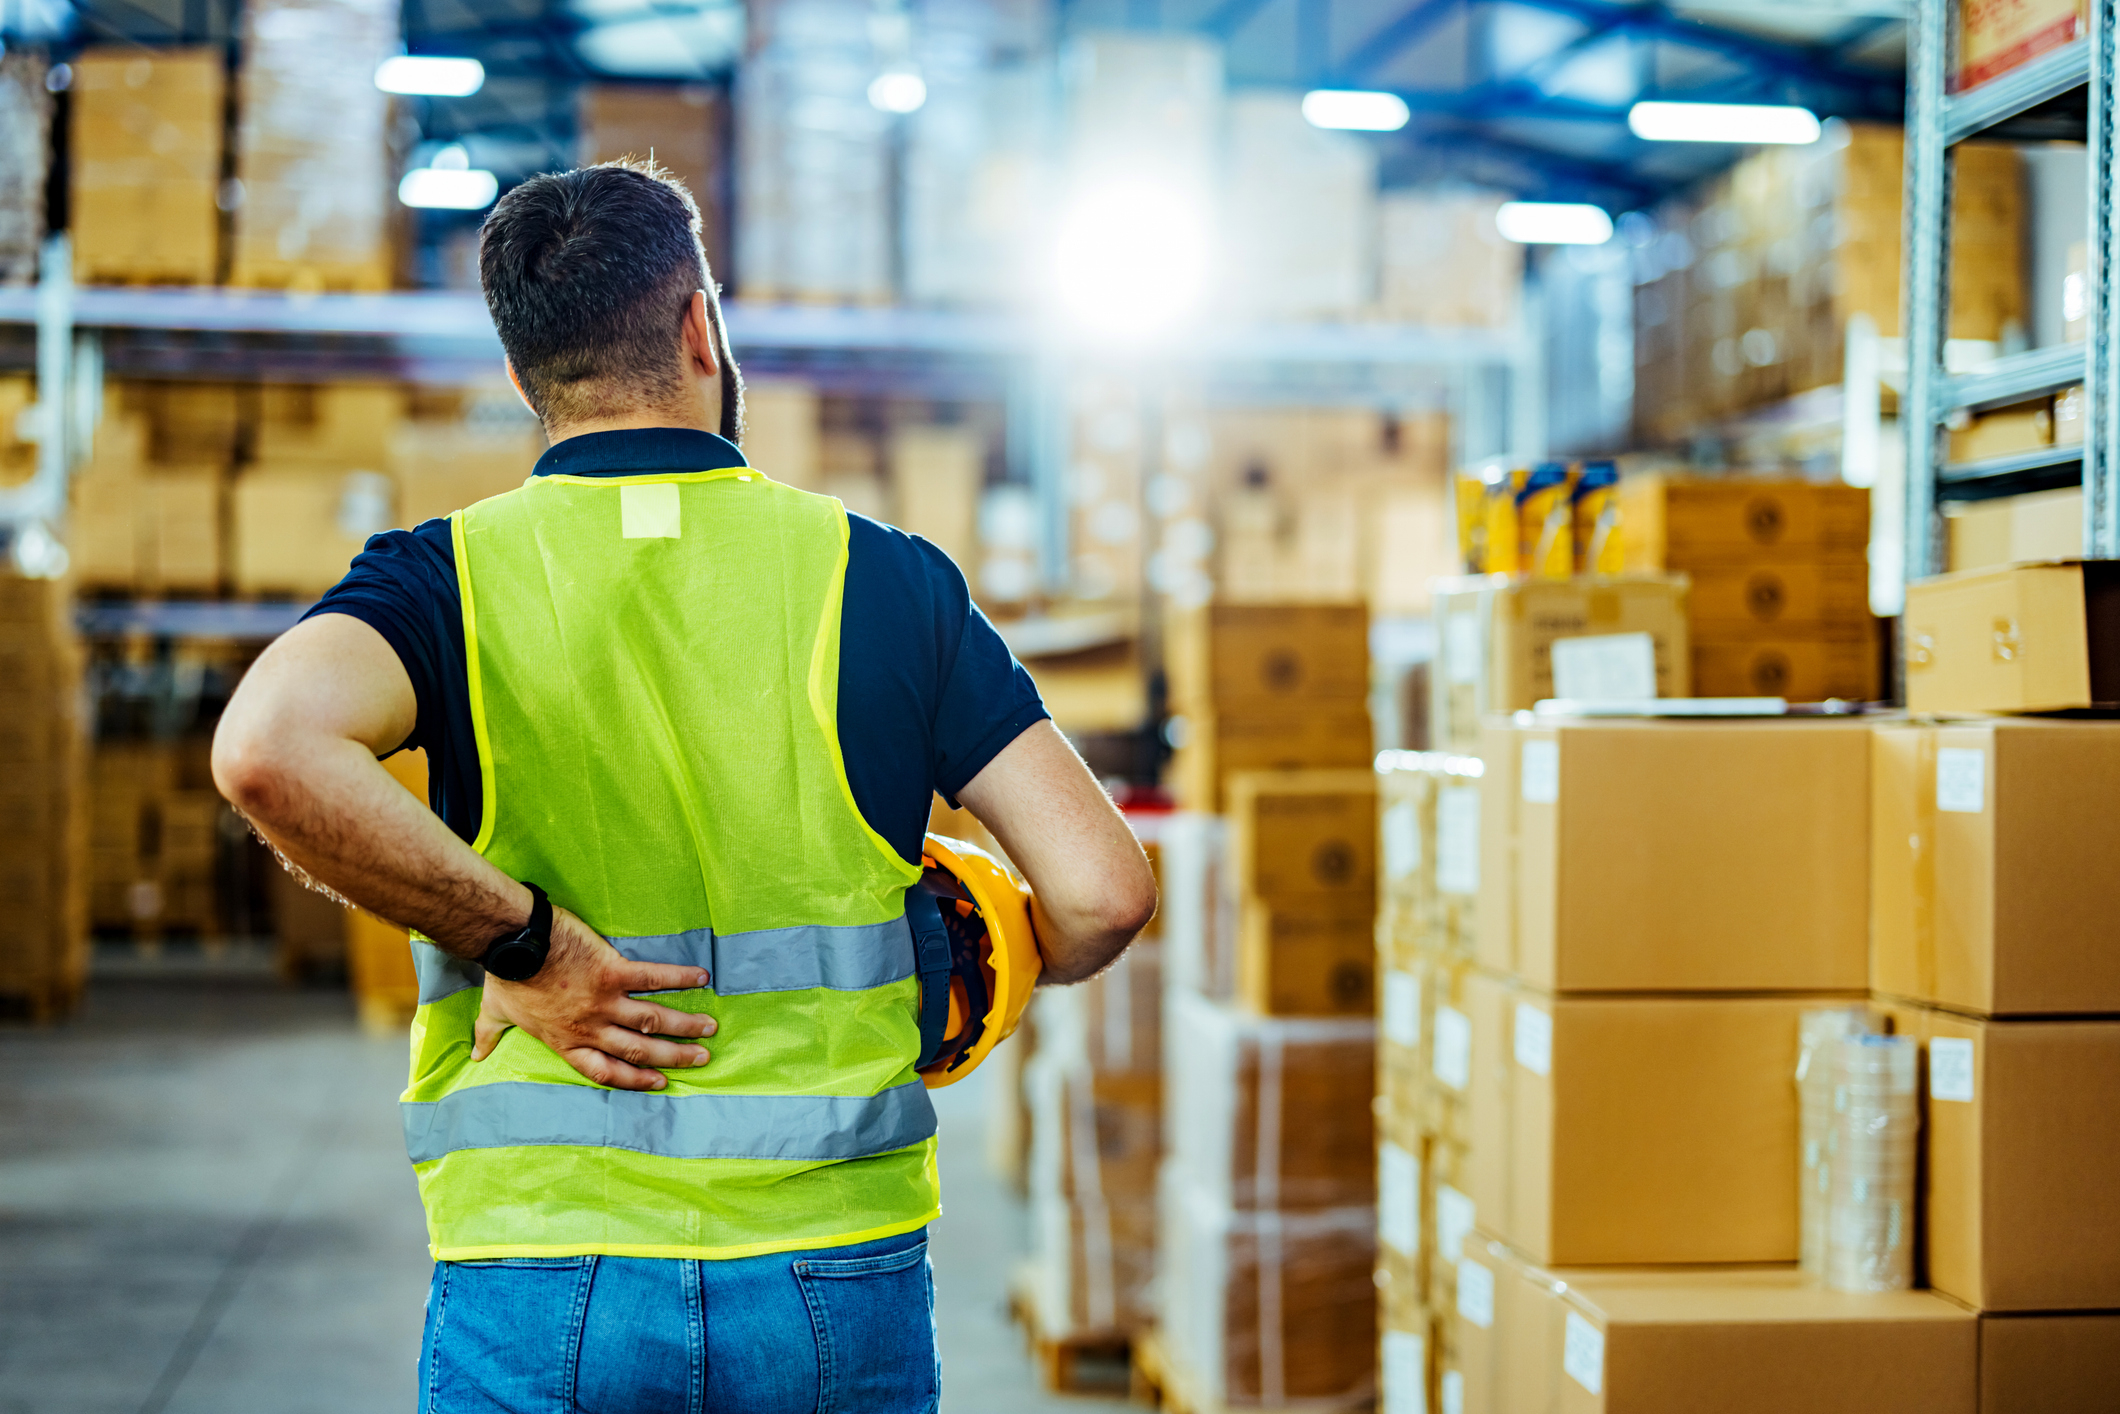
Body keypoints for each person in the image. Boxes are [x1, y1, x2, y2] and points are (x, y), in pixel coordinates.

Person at [212, 159, 1157, 1413]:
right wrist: (989, 965)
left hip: (543, 1260)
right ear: (699, 326)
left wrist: (526, 944)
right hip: (828, 1269)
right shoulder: (885, 580)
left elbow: (267, 750)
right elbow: (1099, 892)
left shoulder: (446, 580)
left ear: (522, 379)